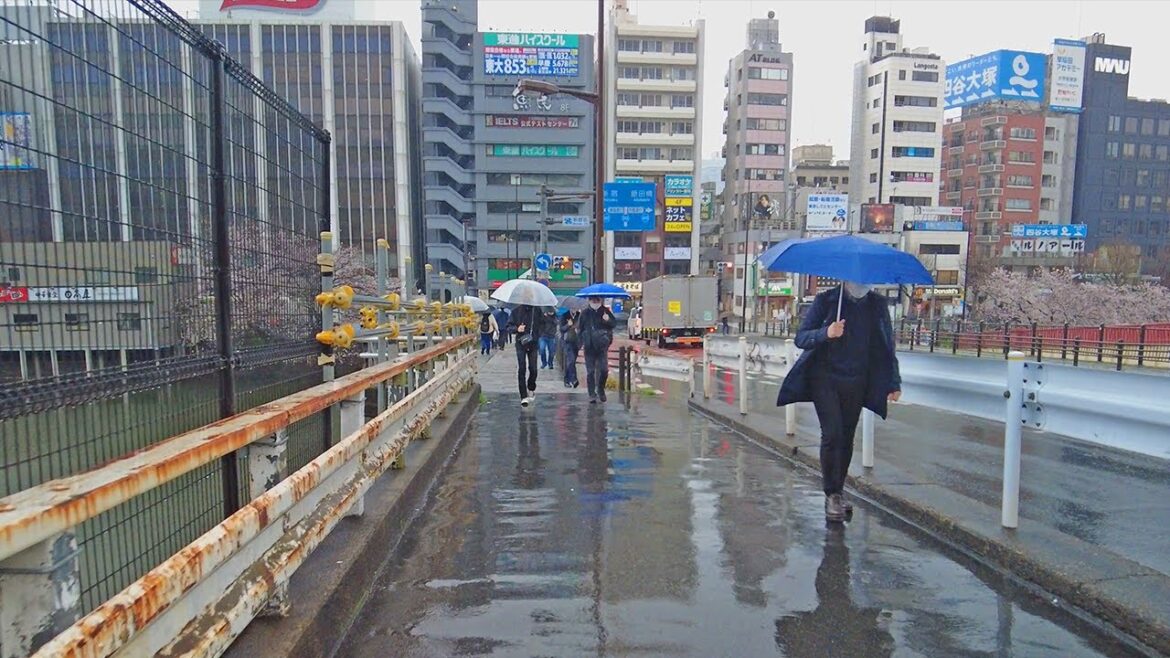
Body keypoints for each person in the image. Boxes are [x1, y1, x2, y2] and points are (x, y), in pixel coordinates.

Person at [776, 282, 901, 523]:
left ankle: (839, 491)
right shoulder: (827, 301)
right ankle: (831, 494)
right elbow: (801, 338)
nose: (860, 284)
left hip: (857, 380)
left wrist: (893, 382)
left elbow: (887, 346)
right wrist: (827, 333)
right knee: (832, 434)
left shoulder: (877, 305)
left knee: (846, 437)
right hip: (825, 379)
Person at [578, 296, 615, 404]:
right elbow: (580, 329)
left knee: (604, 370)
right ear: (589, 301)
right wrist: (579, 343)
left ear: (600, 301)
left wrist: (607, 320)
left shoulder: (605, 311)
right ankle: (591, 394)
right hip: (589, 346)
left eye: (597, 300)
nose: (595, 302)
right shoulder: (584, 313)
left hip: (601, 346)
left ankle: (600, 389)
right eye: (593, 300)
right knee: (590, 372)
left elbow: (613, 325)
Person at [508, 304, 544, 407]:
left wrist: (537, 334)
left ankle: (531, 387)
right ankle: (523, 396)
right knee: (522, 368)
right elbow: (509, 326)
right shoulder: (516, 311)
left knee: (533, 368)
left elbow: (543, 324)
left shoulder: (537, 310)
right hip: (521, 343)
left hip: (533, 343)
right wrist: (517, 329)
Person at [560, 309, 581, 389]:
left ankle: (567, 380)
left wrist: (578, 330)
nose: (574, 308)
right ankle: (574, 379)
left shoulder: (580, 316)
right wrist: (568, 325)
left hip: (576, 342)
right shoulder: (564, 316)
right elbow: (561, 329)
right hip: (567, 342)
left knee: (571, 362)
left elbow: (583, 328)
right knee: (571, 360)